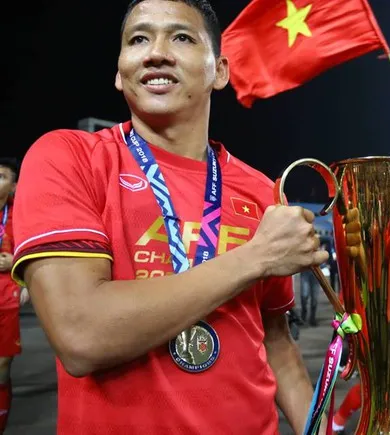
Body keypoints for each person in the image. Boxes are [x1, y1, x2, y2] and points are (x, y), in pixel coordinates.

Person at [11, 1, 327, 434]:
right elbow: (81, 335)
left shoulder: (261, 191)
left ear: (219, 71)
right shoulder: (69, 158)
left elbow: (276, 342)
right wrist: (256, 257)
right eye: (138, 39)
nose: (156, 52)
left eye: (181, 37)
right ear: (120, 72)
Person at [0, 158, 28, 434]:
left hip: (6, 297)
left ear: (14, 186)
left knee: (2, 366)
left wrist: (15, 263)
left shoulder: (21, 213)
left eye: (1, 176)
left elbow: (30, 250)